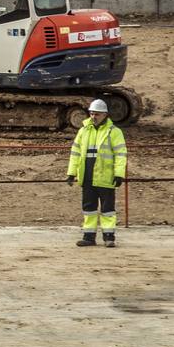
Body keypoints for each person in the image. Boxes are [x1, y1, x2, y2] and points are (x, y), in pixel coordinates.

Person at [66, 98, 127, 247]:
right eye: (92, 113)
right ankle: (89, 236)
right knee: (89, 207)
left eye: (97, 114)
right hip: (87, 176)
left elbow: (121, 153)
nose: (93, 116)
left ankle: (109, 237)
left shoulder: (114, 132)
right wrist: (71, 172)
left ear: (105, 115)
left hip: (106, 176)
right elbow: (75, 152)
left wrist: (119, 174)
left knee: (107, 209)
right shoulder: (83, 131)